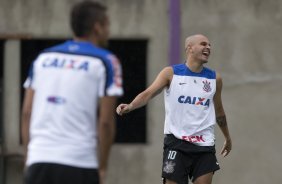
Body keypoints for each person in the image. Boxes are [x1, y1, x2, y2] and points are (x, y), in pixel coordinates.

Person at [21, 1, 123, 184]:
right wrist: (103, 166)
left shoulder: (43, 58)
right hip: (80, 162)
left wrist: (30, 156)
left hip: (39, 160)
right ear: (97, 27)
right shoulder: (106, 61)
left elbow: (27, 113)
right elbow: (106, 122)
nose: (109, 30)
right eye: (107, 24)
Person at [116, 34, 232, 184]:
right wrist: (130, 106)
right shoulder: (171, 73)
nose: (208, 47)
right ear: (189, 48)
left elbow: (219, 111)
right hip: (177, 143)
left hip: (205, 145)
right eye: (203, 44)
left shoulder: (215, 78)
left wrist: (227, 137)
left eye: (209, 45)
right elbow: (148, 94)